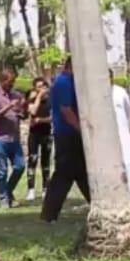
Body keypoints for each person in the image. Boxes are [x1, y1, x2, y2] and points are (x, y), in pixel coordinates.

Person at [41, 57, 91, 222]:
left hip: (70, 134)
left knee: (81, 173)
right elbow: (66, 110)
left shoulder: (69, 82)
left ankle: (97, 204)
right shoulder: (64, 83)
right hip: (67, 134)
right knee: (64, 175)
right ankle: (49, 214)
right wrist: (81, 130)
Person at [0, 68, 27, 209]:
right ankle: (3, 199)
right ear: (2, 81)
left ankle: (8, 191)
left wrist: (22, 111)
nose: (12, 84)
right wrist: (8, 107)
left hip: (14, 139)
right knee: (2, 170)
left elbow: (22, 114)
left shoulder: (16, 95)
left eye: (13, 82)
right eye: (10, 82)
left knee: (20, 167)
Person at [24, 77, 52, 203]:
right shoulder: (32, 100)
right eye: (38, 87)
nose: (41, 89)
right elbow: (33, 111)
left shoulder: (51, 100)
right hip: (34, 134)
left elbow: (53, 117)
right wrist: (39, 97)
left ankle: (46, 188)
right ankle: (31, 189)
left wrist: (40, 120)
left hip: (47, 134)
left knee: (46, 162)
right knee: (32, 159)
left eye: (43, 86)